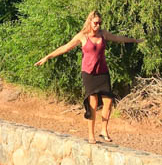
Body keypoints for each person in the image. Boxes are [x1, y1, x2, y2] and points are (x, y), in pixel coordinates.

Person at [35, 10, 142, 144]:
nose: (98, 25)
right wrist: (47, 57)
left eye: (100, 23)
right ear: (90, 22)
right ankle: (91, 135)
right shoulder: (83, 36)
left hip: (103, 72)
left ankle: (103, 130)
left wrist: (134, 40)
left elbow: (118, 38)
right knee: (93, 103)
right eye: (96, 23)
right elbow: (65, 47)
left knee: (108, 101)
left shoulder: (103, 34)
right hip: (89, 73)